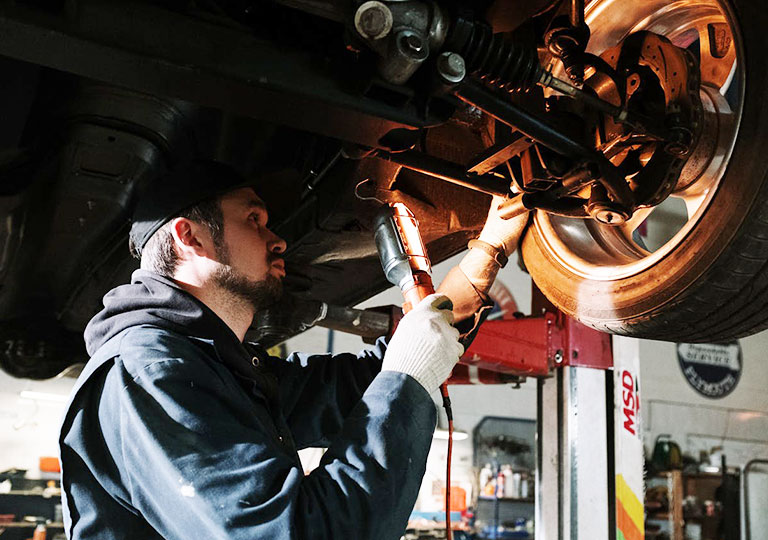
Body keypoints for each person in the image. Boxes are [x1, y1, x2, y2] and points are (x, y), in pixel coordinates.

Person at [58, 159, 527, 540]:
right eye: (254, 219)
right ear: (190, 237)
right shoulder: (148, 373)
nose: (277, 238)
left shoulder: (217, 367)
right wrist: (408, 377)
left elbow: (363, 386)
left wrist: (488, 252)